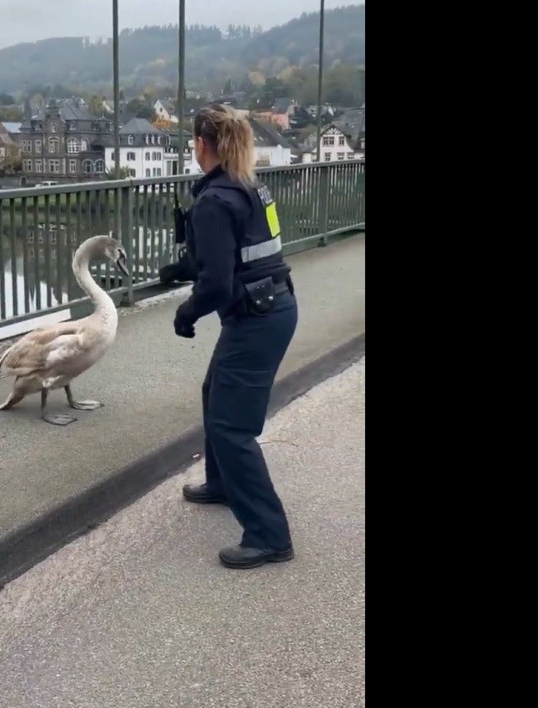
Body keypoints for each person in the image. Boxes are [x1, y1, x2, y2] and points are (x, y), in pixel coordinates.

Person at [169, 104, 298, 570]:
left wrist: (186, 313)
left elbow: (218, 285)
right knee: (215, 394)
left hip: (255, 318)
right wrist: (185, 268)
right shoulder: (248, 185)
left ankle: (268, 535)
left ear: (201, 144)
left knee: (232, 427)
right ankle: (222, 483)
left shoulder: (214, 200)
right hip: (273, 305)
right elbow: (244, 251)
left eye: (193, 140)